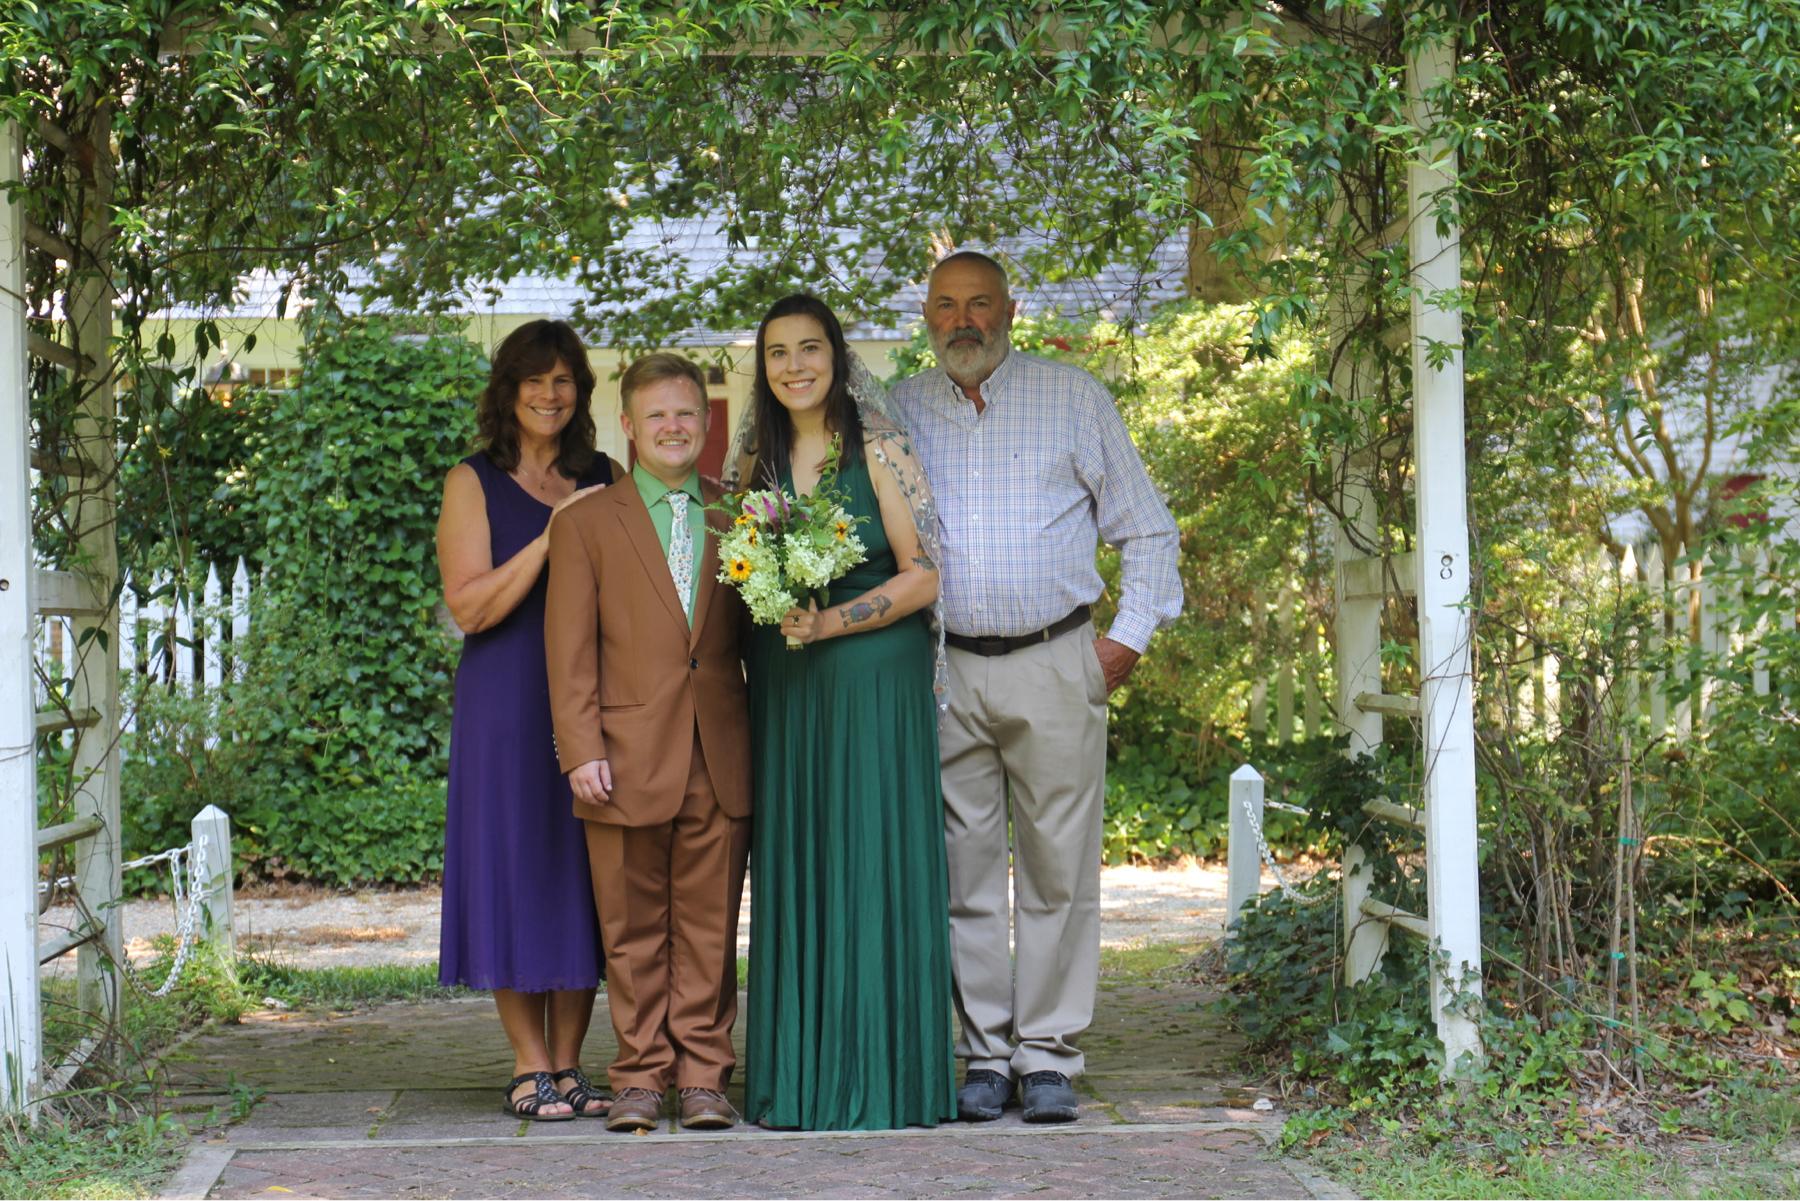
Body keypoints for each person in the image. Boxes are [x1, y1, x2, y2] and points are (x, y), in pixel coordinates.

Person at [890, 251, 1183, 1124]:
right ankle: (986, 1053)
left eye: (979, 303)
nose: (963, 320)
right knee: (963, 870)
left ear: (1011, 309)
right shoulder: (900, 411)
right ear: (928, 315)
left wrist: (1122, 643)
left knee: (1059, 867)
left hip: (1058, 659)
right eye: (946, 305)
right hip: (944, 668)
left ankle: (1048, 1052)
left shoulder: (1073, 396)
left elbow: (1149, 531)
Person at [726, 293, 957, 1131]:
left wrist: (833, 619)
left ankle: (887, 1076)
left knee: (869, 856)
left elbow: (924, 573)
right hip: (786, 683)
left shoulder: (881, 445)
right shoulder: (752, 460)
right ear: (764, 364)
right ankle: (798, 1077)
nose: (795, 366)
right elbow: (737, 570)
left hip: (869, 674)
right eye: (779, 352)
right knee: (800, 860)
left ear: (837, 354)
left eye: (810, 348)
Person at [543, 352, 753, 1133]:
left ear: (707, 422)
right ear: (626, 427)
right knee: (629, 930)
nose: (673, 426)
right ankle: (637, 1074)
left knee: (708, 926)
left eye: (687, 413)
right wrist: (581, 747)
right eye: (656, 415)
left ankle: (702, 1073)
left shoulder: (741, 518)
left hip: (719, 749)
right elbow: (568, 650)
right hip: (623, 755)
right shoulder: (589, 523)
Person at [436, 319, 616, 1122]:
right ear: (507, 391)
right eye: (533, 379)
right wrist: (553, 534)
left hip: (594, 695)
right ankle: (527, 1059)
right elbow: (471, 607)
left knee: (584, 870)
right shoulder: (472, 481)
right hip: (505, 700)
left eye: (564, 379)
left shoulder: (606, 474)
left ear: (580, 391)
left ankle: (573, 1060)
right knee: (512, 867)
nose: (549, 394)